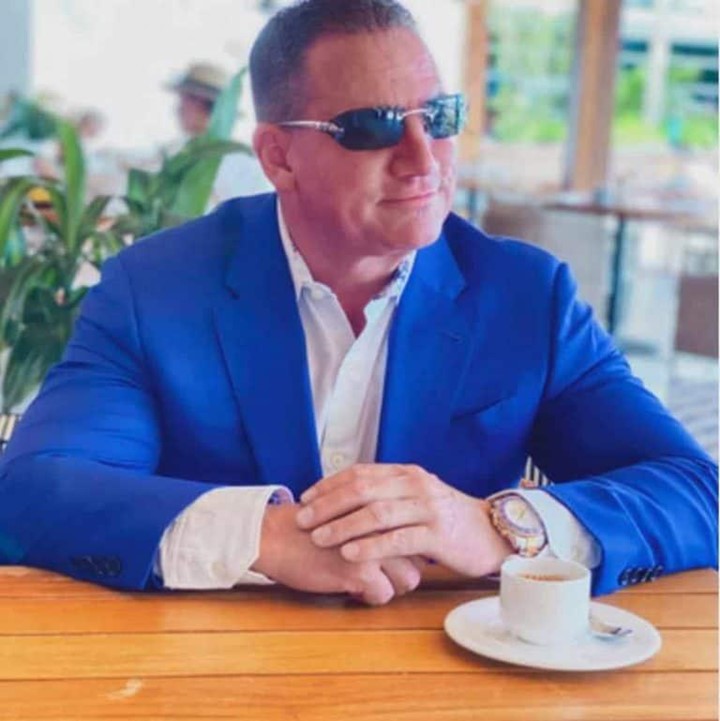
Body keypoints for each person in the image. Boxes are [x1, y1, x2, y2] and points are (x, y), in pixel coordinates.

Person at [0, 0, 716, 606]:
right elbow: (36, 487)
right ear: (278, 156)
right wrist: (262, 535)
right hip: (207, 671)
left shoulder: (527, 296)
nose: (423, 157)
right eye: (373, 126)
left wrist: (496, 527)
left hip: (456, 677)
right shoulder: (156, 289)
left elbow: (695, 492)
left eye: (440, 116)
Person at [165, 61, 271, 202]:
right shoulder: (177, 151)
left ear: (202, 103)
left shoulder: (242, 162)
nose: (178, 109)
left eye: (184, 100)